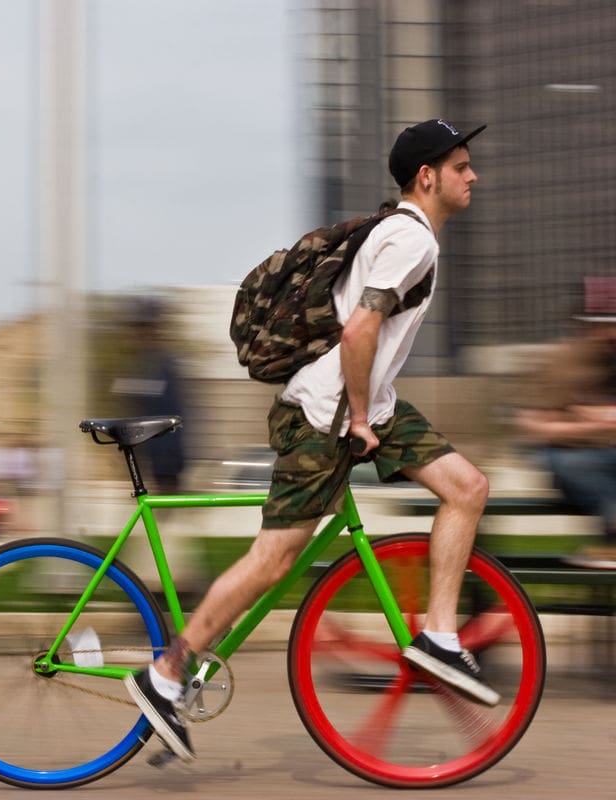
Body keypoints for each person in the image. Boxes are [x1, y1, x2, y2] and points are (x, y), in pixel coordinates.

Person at [125, 119, 496, 762]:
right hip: (330, 414)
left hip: (365, 406)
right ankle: (166, 674)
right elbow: (358, 333)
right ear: (427, 177)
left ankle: (438, 634)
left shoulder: (398, 233)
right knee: (273, 560)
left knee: (466, 487)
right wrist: (356, 418)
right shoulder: (411, 241)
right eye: (461, 166)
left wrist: (365, 411)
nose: (474, 176)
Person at [513, 279, 616, 569]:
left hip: (607, 456)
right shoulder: (561, 361)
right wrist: (594, 424)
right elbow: (533, 425)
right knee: (573, 464)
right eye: (602, 325)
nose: (609, 334)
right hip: (571, 455)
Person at [110, 297, 187, 494]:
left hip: (164, 459)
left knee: (163, 514)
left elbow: (172, 411)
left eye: (141, 327)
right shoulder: (147, 363)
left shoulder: (162, 364)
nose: (136, 335)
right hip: (152, 459)